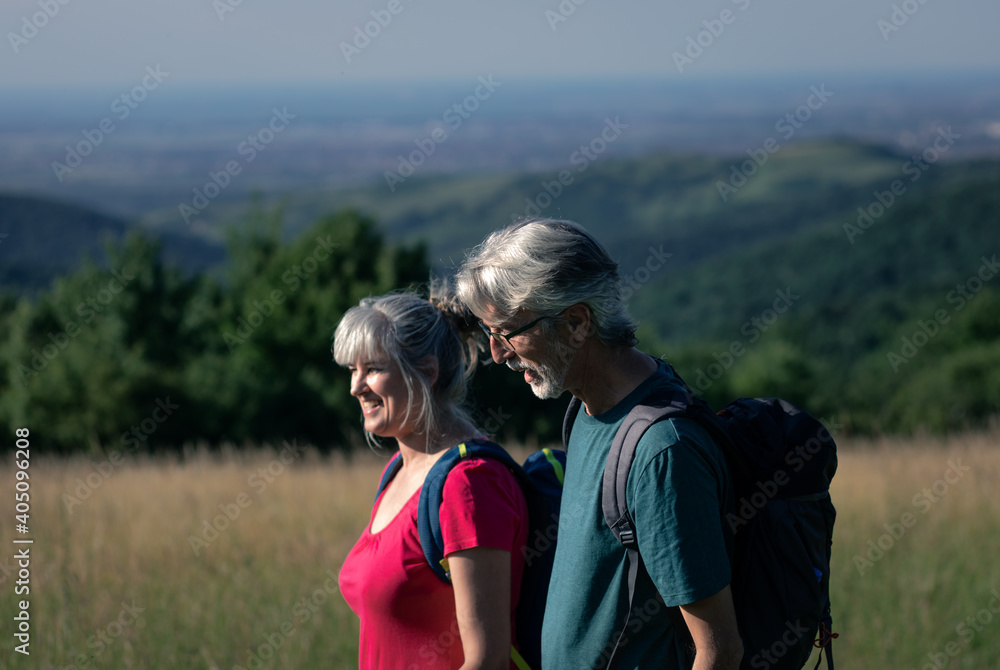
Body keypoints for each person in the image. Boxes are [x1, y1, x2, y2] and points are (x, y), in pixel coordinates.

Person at [455, 219, 743, 670]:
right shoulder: (585, 410)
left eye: (508, 332)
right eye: (490, 335)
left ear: (576, 323)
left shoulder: (662, 452)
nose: (497, 353)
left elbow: (720, 649)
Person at [333, 289, 530, 670]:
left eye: (372, 368)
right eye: (351, 370)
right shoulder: (398, 470)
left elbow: (487, 660)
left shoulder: (469, 482)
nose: (356, 386)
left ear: (426, 372)